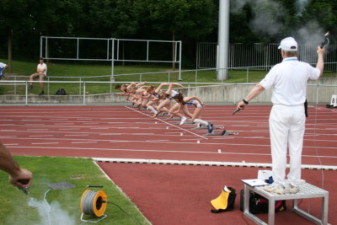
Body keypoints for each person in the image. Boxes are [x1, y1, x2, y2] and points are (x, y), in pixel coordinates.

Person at [236, 37, 324, 194]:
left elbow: (260, 87)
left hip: (281, 111)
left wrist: (245, 100)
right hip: (299, 111)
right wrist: (320, 54)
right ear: (296, 51)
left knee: (279, 148)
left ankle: (278, 182)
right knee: (296, 148)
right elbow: (318, 73)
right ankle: (294, 181)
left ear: (283, 52)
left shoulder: (277, 69)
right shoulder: (304, 67)